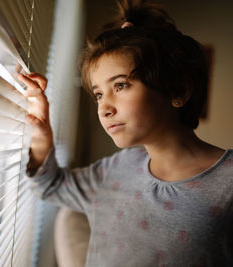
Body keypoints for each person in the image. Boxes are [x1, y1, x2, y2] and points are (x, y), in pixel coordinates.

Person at [18, 0, 233, 266]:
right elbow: (48, 185)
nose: (104, 108)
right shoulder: (115, 170)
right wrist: (41, 132)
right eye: (98, 94)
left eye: (120, 86)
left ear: (178, 91)